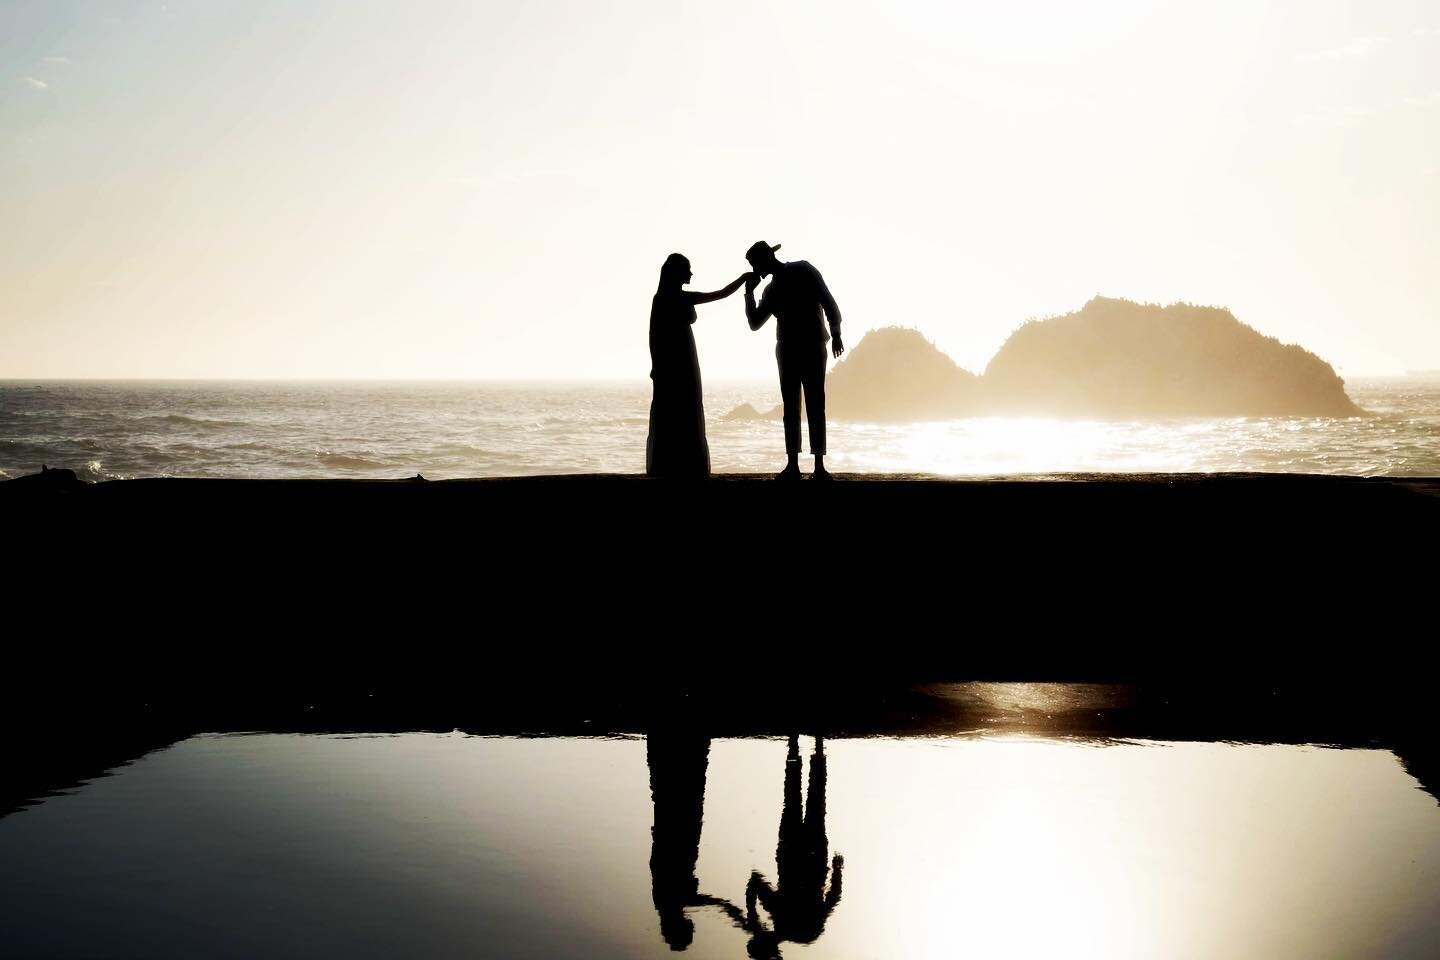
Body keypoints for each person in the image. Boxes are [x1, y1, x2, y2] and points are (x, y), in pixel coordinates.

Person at [742, 242, 844, 480]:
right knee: (795, 406)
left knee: (813, 403)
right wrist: (749, 294)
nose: (754, 269)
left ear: (767, 258)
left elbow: (828, 302)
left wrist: (836, 332)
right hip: (790, 348)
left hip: (809, 345)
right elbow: (755, 323)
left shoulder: (803, 270)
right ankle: (796, 465)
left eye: (754, 263)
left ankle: (815, 465)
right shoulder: (771, 289)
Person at [647, 254, 749, 478]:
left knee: (676, 410)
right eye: (688, 269)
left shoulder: (664, 298)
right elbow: (720, 294)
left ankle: (671, 464)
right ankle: (685, 464)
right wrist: (743, 279)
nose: (691, 274)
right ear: (677, 273)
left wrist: (743, 279)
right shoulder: (672, 299)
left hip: (677, 359)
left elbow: (652, 336)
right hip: (679, 360)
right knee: (684, 408)